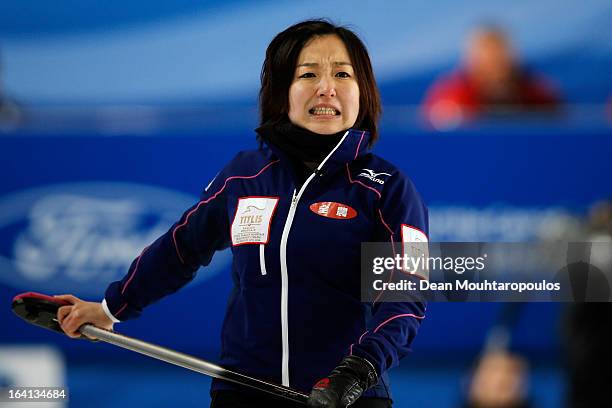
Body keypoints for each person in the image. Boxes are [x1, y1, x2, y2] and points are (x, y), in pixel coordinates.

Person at [55, 19, 428, 408]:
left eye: (342, 73)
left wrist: (356, 373)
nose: (326, 87)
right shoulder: (243, 175)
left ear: (362, 91)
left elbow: (407, 298)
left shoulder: (389, 187)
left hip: (347, 398)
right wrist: (110, 308)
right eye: (308, 74)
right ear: (282, 90)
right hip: (242, 391)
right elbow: (180, 249)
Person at [422, 25, 561, 129]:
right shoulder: (452, 97)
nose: (495, 66)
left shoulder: (538, 93)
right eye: (486, 59)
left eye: (499, 58)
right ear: (471, 61)